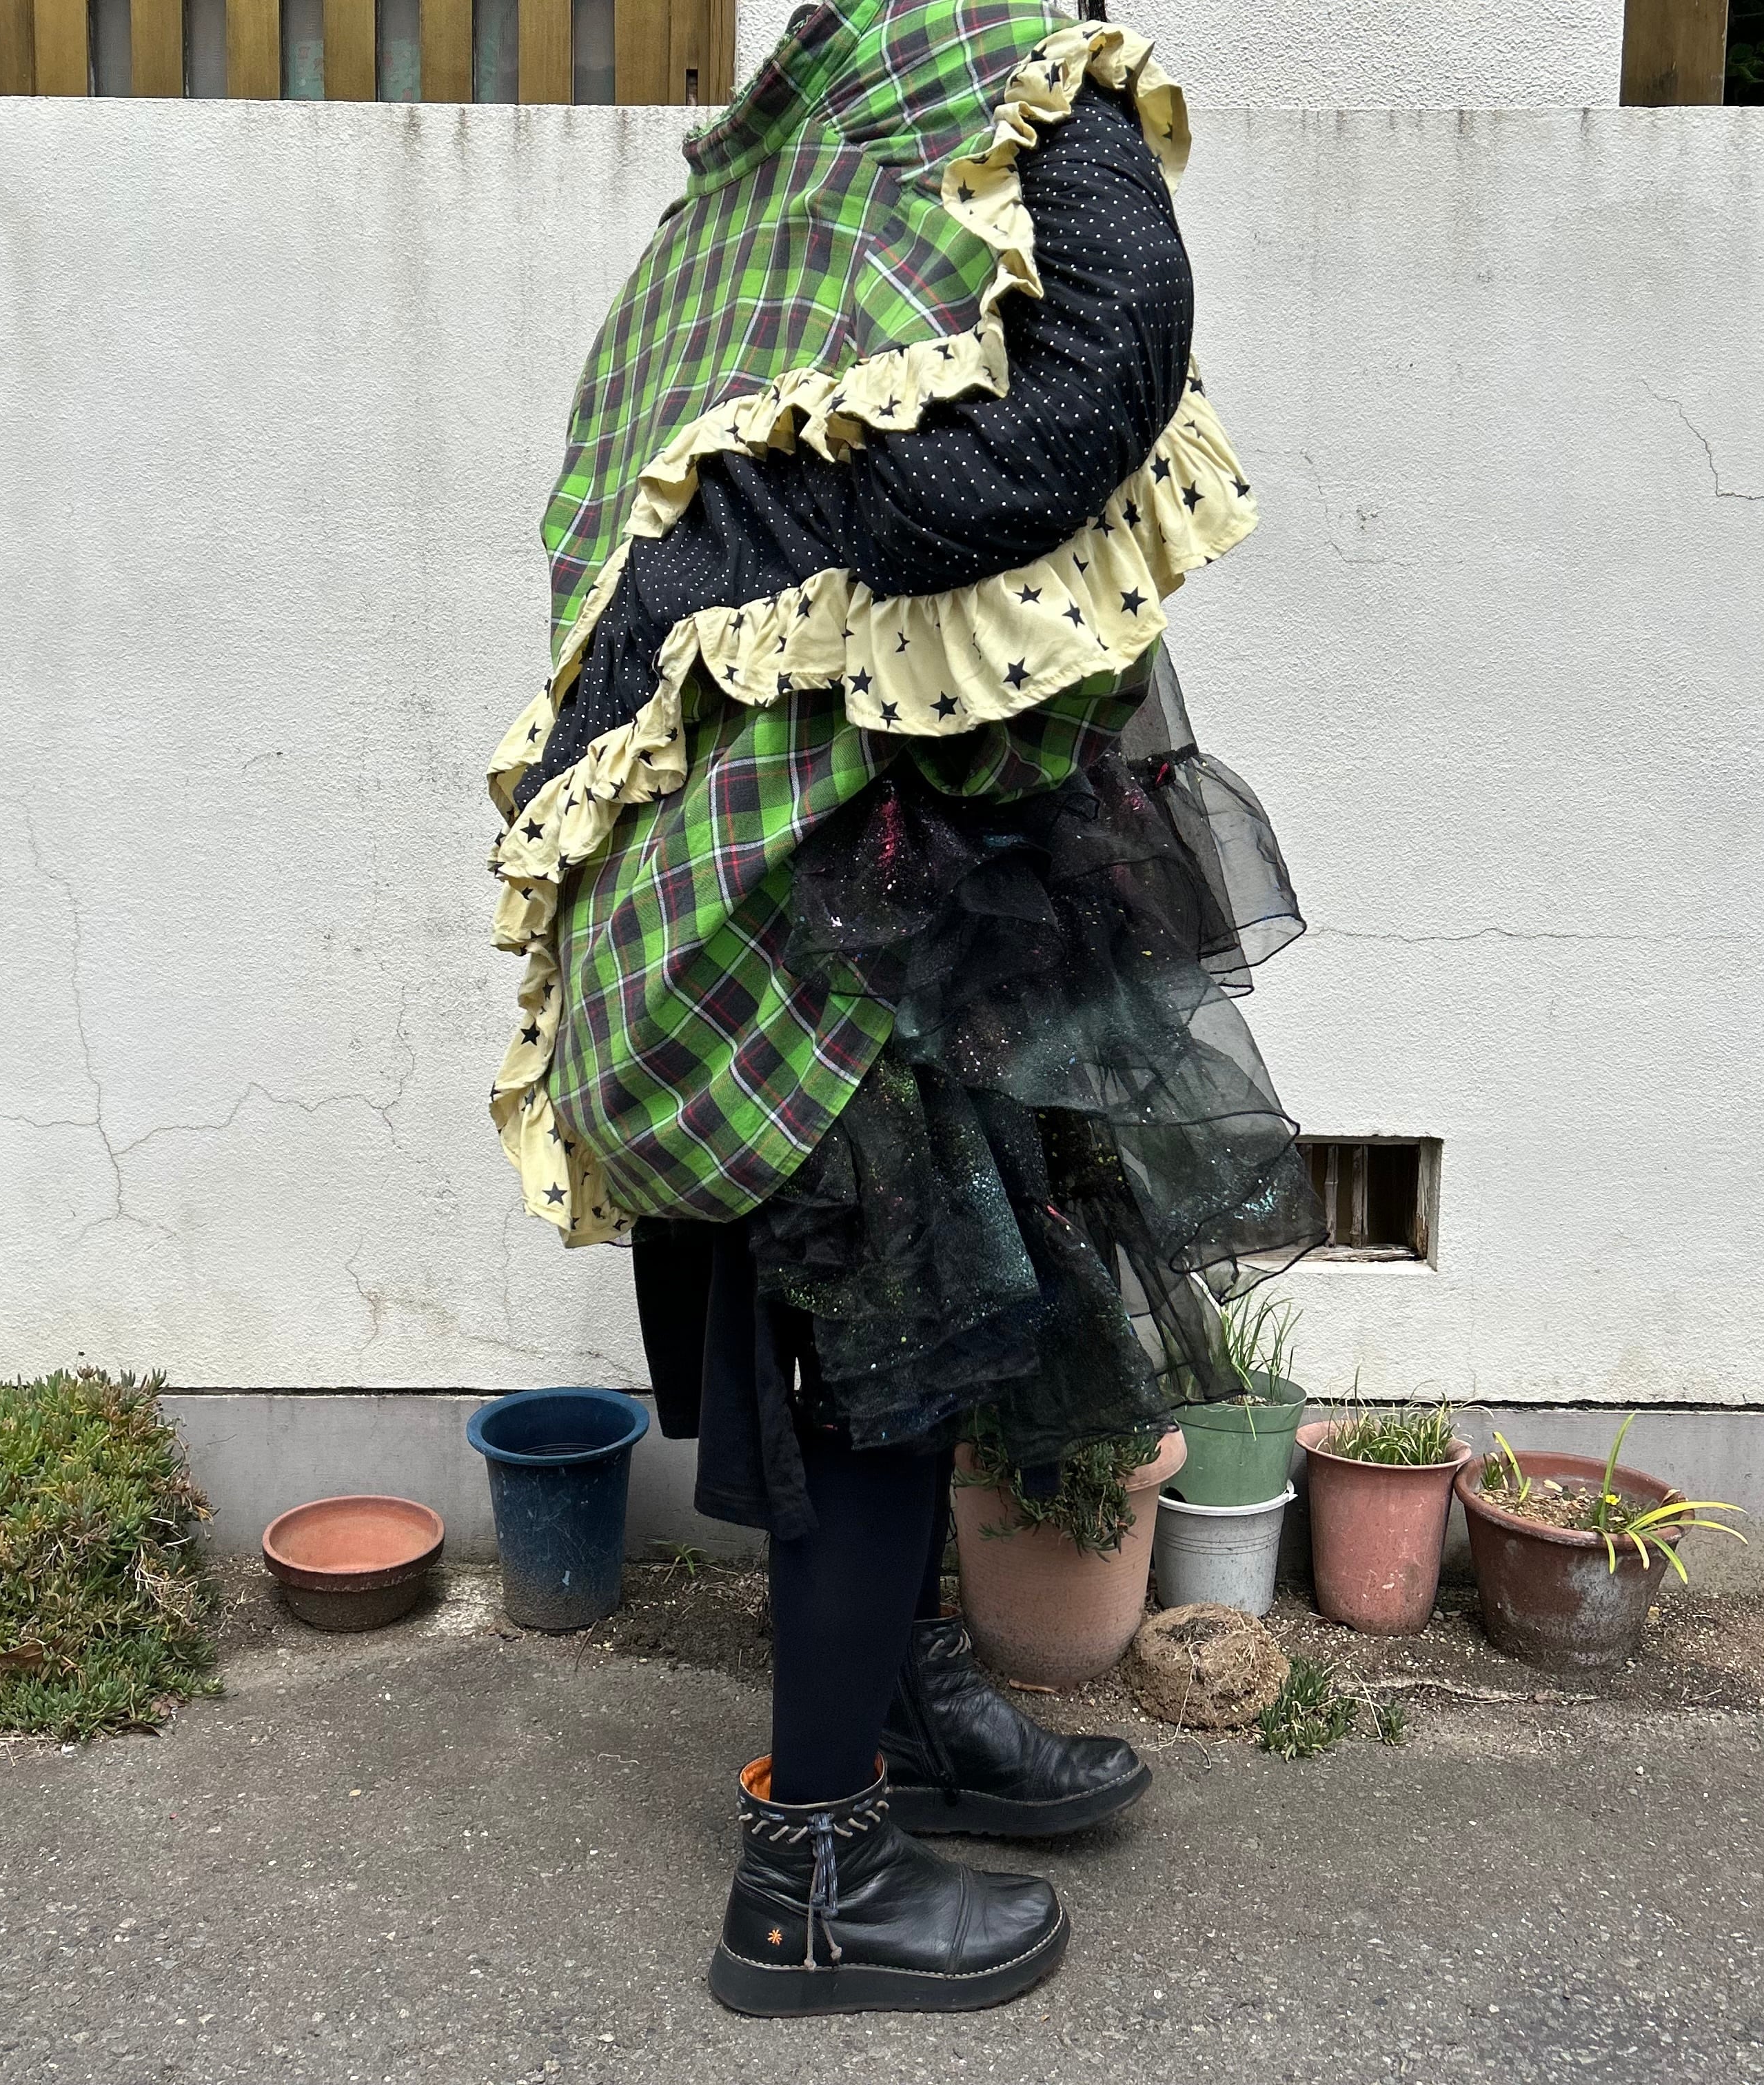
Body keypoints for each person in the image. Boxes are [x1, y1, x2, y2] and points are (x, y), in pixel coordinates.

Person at [485, 0, 1321, 2017]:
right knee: (873, 1347)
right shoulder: (987, 86)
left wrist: (803, 527)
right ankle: (812, 1881)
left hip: (828, 858)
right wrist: (836, 524)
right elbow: (1078, 403)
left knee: (909, 1333)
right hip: (810, 884)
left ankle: (909, 1705)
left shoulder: (800, 163)